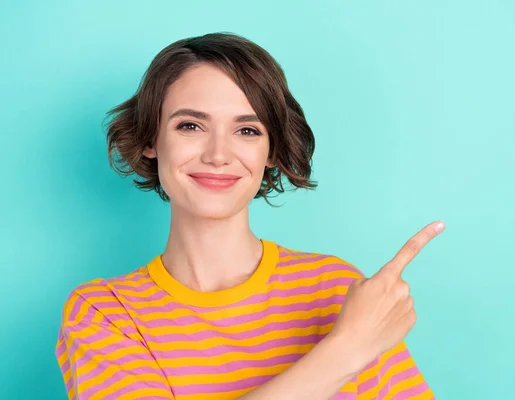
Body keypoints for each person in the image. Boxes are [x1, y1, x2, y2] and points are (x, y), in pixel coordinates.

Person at [55, 32, 444, 400]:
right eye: (190, 126)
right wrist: (346, 350)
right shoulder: (104, 314)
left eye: (247, 130)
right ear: (151, 140)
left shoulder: (339, 290)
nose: (218, 154)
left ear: (272, 151)